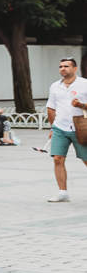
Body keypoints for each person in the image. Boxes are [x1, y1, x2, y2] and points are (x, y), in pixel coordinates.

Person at [46, 57, 87, 202]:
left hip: (80, 128)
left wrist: (81, 105)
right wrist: (52, 127)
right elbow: (51, 107)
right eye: (60, 66)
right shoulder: (55, 86)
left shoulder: (84, 84)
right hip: (60, 127)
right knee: (57, 159)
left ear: (75, 69)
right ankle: (63, 193)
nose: (62, 69)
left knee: (86, 159)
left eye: (66, 66)